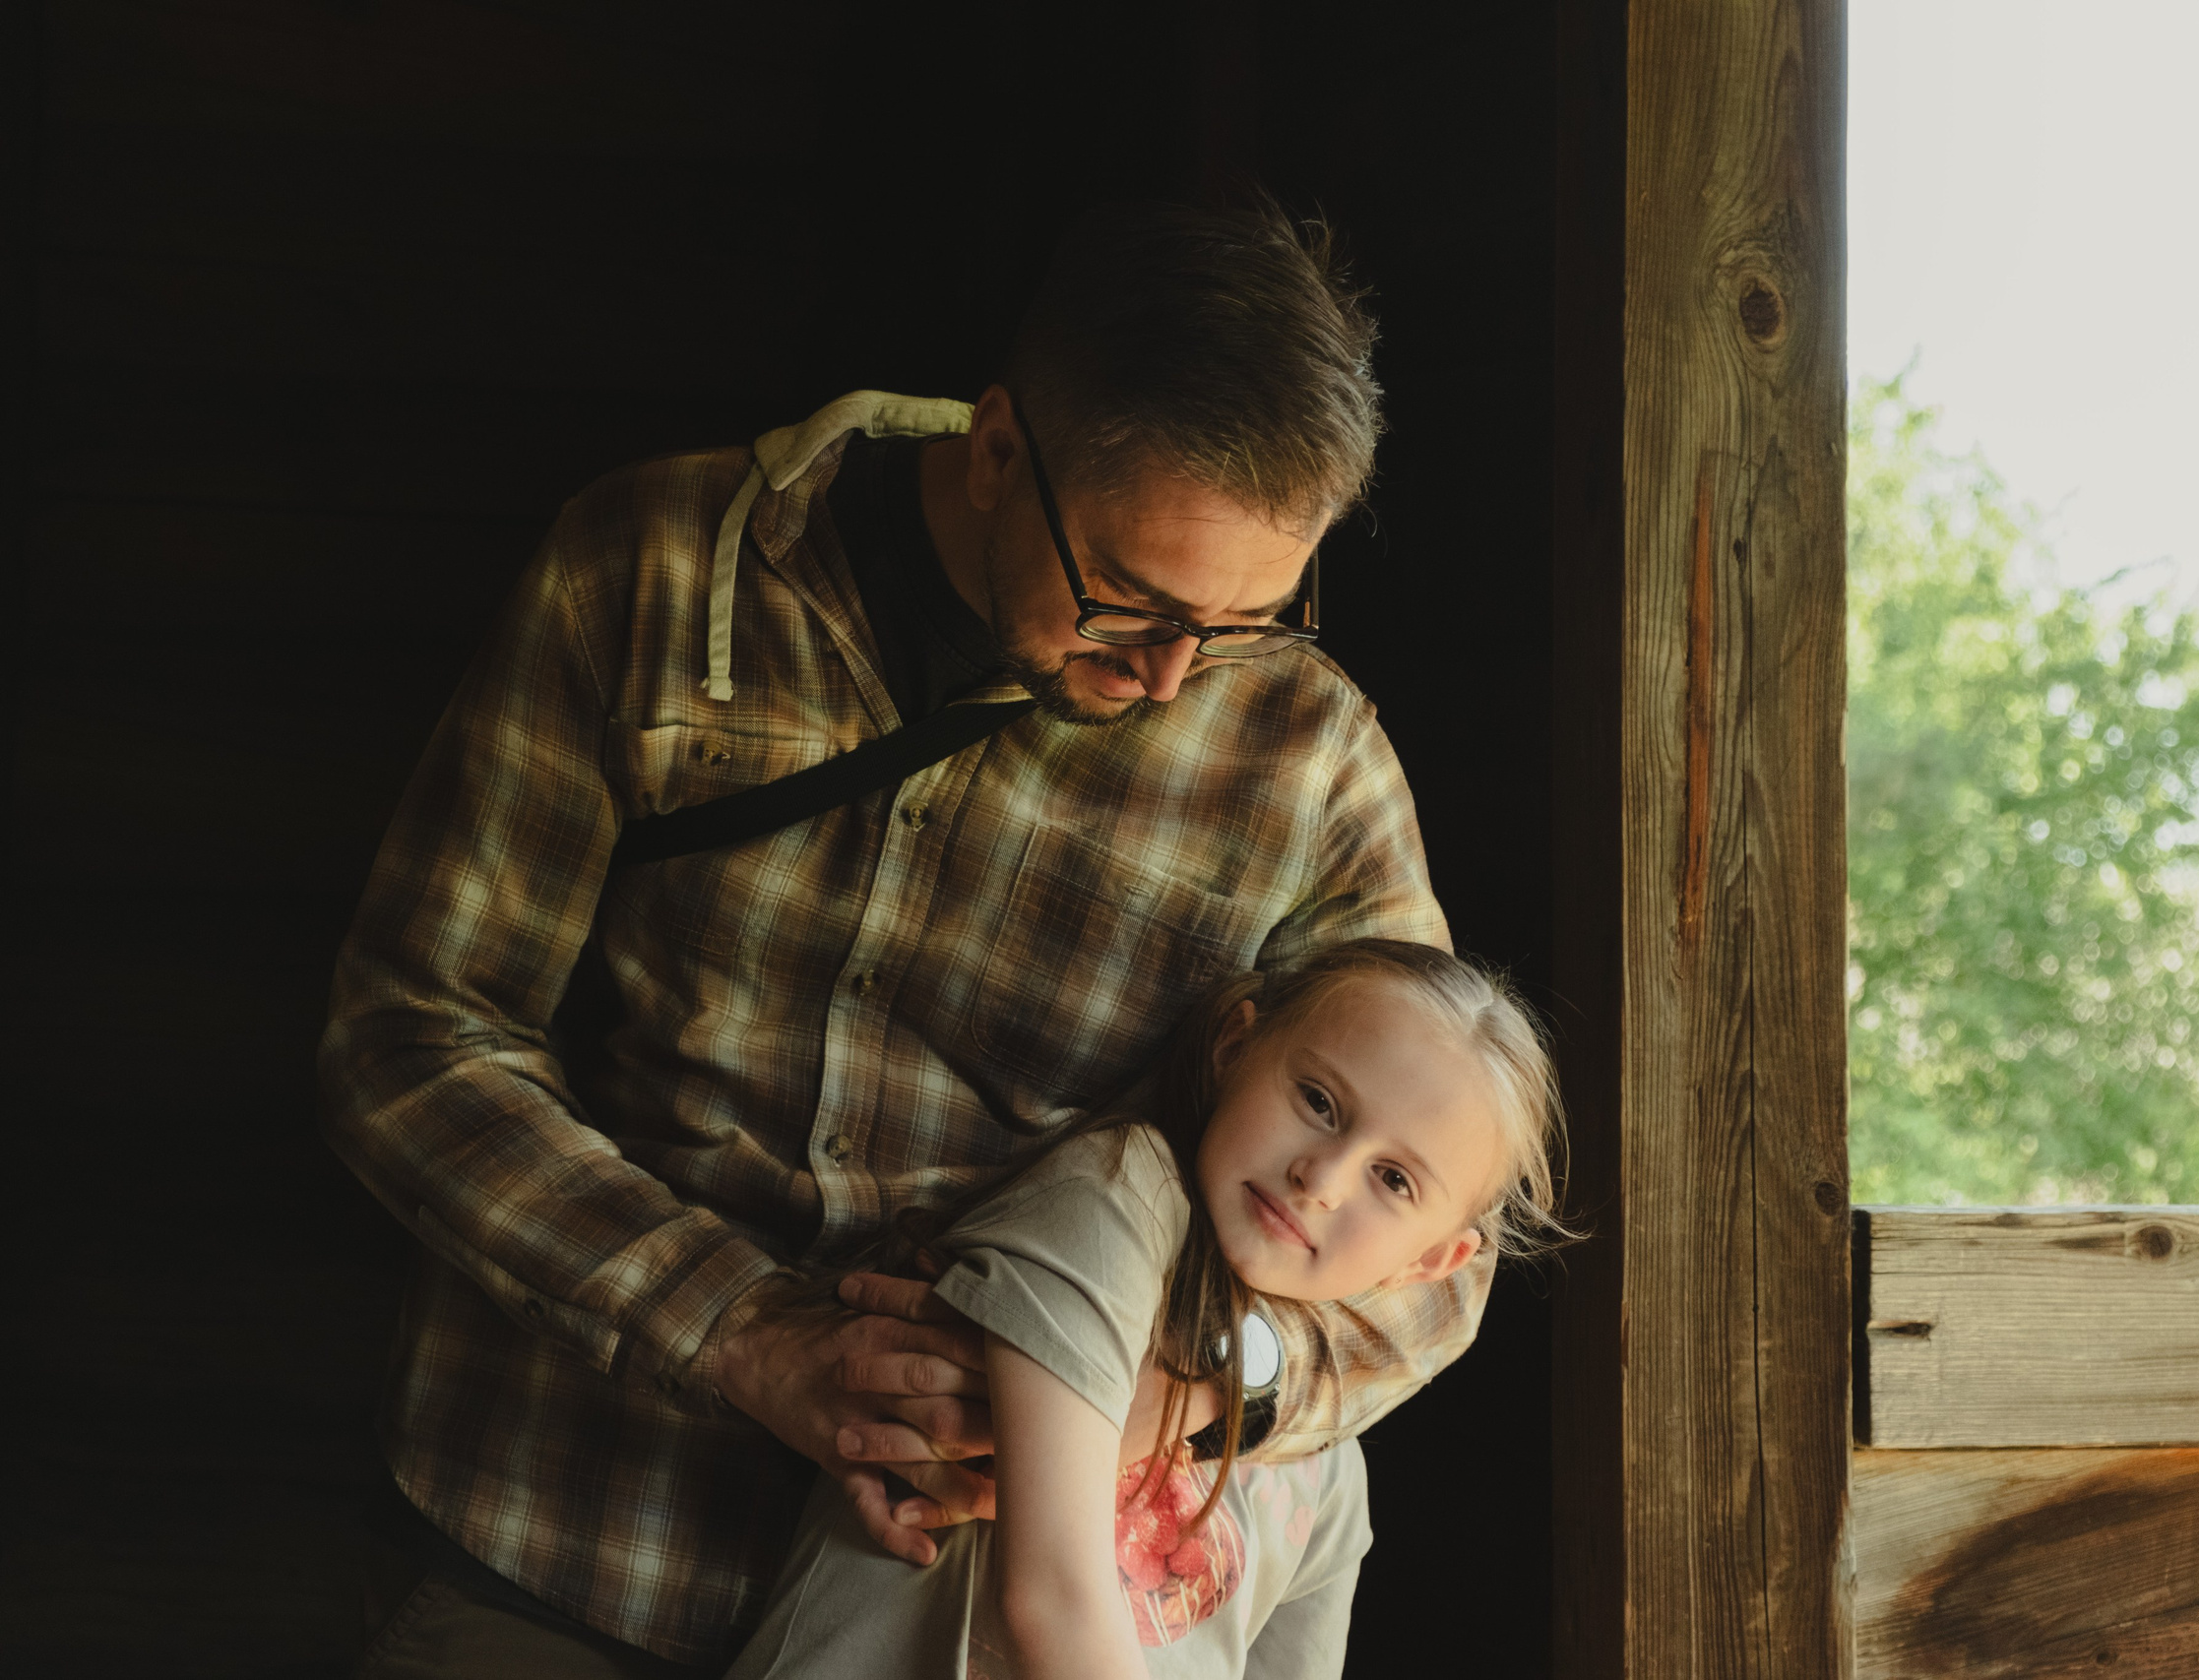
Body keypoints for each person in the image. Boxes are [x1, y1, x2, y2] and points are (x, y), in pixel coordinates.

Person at [319, 199, 1487, 1676]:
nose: (1178, 676)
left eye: (1247, 619)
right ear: (998, 449)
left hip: (947, 1625)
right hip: (565, 1530)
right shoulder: (654, 572)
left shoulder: (1310, 756)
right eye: (1131, 598)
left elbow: (1445, 1243)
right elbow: (411, 1036)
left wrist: (1186, 1387)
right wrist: (738, 1328)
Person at [725, 941, 1568, 1680]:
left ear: (1433, 1261)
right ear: (1236, 1045)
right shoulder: (1117, 1201)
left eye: (1395, 1179)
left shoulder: (1329, 1467)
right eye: (1319, 1101)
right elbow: (1051, 1596)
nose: (1324, 1176)